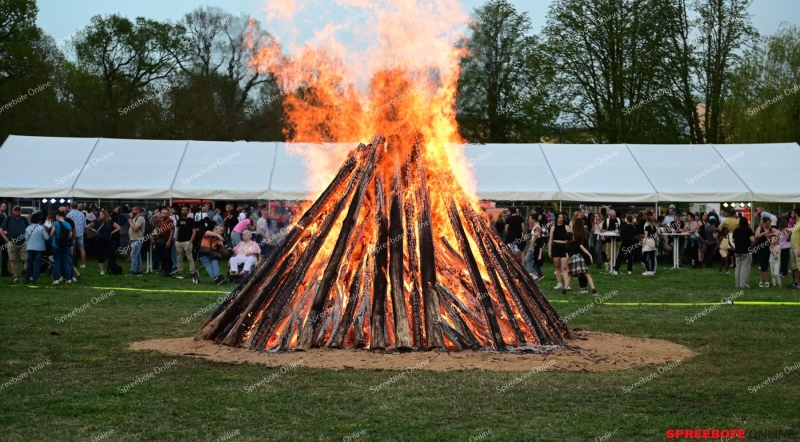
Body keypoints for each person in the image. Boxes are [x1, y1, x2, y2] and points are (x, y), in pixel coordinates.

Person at [0, 205, 29, 283]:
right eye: (15, 210)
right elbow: (1, 230)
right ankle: (15, 277)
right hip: (11, 243)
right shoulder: (8, 219)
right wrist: (7, 240)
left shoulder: (24, 219)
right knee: (13, 260)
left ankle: (27, 276)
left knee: (26, 260)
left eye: (18, 210)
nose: (17, 211)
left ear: (20, 211)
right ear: (12, 211)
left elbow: (29, 229)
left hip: (23, 242)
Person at [86, 210, 121, 276]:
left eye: (102, 214)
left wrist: (112, 232)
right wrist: (93, 230)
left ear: (105, 215)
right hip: (99, 240)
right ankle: (102, 270)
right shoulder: (96, 222)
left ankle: (113, 268)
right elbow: (88, 226)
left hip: (108, 240)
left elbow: (118, 227)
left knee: (112, 255)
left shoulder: (110, 222)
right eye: (100, 214)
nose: (100, 215)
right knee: (101, 255)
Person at [23, 213, 49, 285]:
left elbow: (26, 238)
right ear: (39, 220)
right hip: (39, 248)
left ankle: (26, 279)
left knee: (29, 264)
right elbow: (46, 238)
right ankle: (35, 280)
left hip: (30, 247)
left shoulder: (27, 228)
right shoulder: (41, 228)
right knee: (37, 264)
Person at [754, 214, 778, 288]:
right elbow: (756, 236)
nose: (768, 224)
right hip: (760, 249)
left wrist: (772, 234)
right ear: (763, 223)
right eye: (767, 223)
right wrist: (764, 233)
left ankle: (762, 281)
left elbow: (779, 232)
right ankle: (766, 281)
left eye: (769, 223)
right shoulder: (760, 228)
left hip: (768, 250)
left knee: (765, 266)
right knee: (763, 265)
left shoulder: (771, 229)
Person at [50, 211, 74, 284]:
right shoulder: (68, 224)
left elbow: (51, 234)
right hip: (66, 246)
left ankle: (56, 279)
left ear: (57, 216)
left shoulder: (56, 223)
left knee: (57, 262)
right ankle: (69, 279)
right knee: (65, 262)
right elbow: (70, 236)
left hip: (56, 245)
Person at [549, 212, 570, 290]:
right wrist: (549, 251)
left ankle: (567, 284)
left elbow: (570, 239)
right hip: (555, 247)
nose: (561, 219)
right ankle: (559, 283)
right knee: (557, 267)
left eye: (562, 217)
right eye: (559, 217)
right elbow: (550, 240)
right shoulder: (553, 228)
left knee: (564, 267)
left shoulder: (567, 227)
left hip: (564, 247)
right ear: (556, 218)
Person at [174, 206, 197, 279]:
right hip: (179, 241)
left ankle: (192, 273)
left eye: (185, 210)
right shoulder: (179, 220)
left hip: (187, 241)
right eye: (182, 210)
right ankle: (179, 272)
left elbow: (194, 231)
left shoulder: (191, 220)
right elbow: (178, 230)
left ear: (188, 211)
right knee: (179, 258)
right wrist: (176, 240)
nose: (184, 211)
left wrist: (190, 241)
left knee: (189, 257)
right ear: (181, 211)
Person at [732, 217, 755, 288]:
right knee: (744, 268)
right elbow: (752, 240)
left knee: (737, 267)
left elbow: (733, 240)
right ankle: (743, 284)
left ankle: (737, 284)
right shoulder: (748, 229)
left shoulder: (736, 230)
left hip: (737, 251)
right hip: (746, 251)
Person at [155, 208, 175, 277]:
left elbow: (171, 231)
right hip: (160, 238)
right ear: (160, 214)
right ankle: (165, 269)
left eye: (166, 213)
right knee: (162, 256)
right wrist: (157, 237)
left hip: (166, 238)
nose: (165, 214)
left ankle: (168, 271)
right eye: (163, 213)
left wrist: (169, 241)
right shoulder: (161, 221)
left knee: (167, 256)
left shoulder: (170, 221)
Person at [67, 202, 87, 268]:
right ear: (77, 207)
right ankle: (83, 264)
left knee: (72, 248)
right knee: (82, 248)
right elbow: (85, 225)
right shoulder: (82, 214)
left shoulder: (69, 214)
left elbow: (67, 224)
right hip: (80, 233)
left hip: (72, 233)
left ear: (71, 207)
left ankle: (71, 263)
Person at [128, 206, 146, 276]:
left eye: (134, 209)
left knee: (133, 255)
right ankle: (139, 270)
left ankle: (133, 271)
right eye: (132, 209)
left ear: (138, 211)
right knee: (137, 255)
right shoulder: (134, 218)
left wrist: (130, 222)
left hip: (138, 239)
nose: (132, 211)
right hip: (134, 239)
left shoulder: (140, 218)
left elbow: (135, 228)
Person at [525, 217, 544, 281]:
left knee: (527, 258)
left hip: (535, 245)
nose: (529, 219)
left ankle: (534, 273)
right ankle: (535, 273)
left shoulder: (537, 227)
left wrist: (531, 246)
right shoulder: (535, 226)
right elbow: (533, 236)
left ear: (534, 219)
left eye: (530, 218)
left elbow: (536, 236)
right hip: (533, 245)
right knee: (530, 259)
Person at [0, 202, 10, 277]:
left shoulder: (4, 215)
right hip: (1, 237)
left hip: (3, 238)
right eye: (4, 206)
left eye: (5, 206)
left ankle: (4, 271)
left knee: (5, 255)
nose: (5, 208)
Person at [791, 208, 800, 289]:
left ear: (796, 214)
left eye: (792, 213)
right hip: (793, 247)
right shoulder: (796, 223)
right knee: (795, 267)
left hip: (798, 248)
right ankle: (796, 283)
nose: (791, 215)